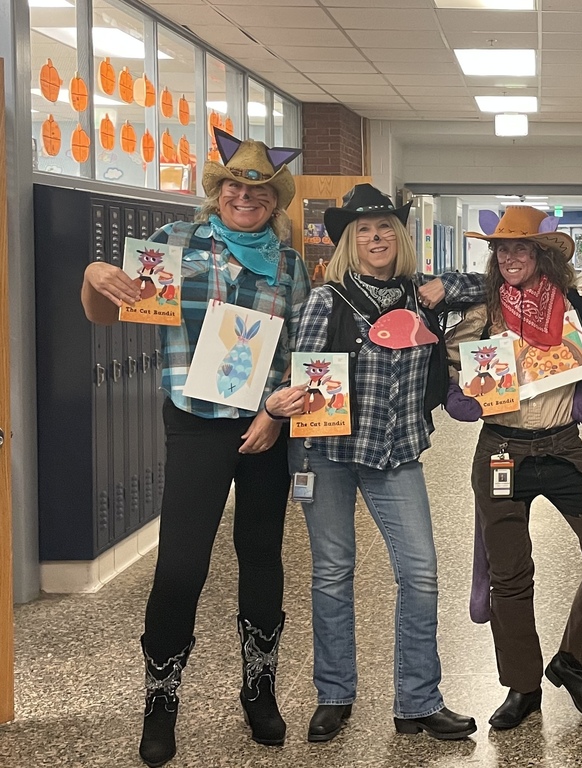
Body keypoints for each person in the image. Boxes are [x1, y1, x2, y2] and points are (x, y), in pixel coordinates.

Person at [80, 129, 309, 767]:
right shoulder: (176, 245)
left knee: (262, 559)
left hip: (269, 423)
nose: (246, 196)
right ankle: (161, 701)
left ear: (273, 200)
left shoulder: (291, 265)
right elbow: (106, 313)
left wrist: (274, 411)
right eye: (236, 185)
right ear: (218, 191)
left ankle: (259, 689)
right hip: (197, 420)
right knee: (182, 565)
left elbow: (297, 350)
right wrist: (96, 275)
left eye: (259, 190)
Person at [264, 183, 483, 743]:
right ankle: (334, 693)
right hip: (327, 453)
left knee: (422, 574)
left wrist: (444, 284)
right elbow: (304, 371)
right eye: (363, 230)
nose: (376, 237)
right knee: (333, 574)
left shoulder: (420, 297)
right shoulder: (327, 299)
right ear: (348, 242)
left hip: (397, 453)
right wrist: (283, 403)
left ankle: (418, 700)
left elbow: (494, 286)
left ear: (400, 236)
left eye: (385, 227)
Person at [444, 205, 582, 730]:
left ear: (542, 254)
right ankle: (522, 687)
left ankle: (575, 662)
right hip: (502, 452)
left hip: (563, 449)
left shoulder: (574, 305)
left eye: (521, 248)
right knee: (509, 574)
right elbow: (445, 359)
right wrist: (460, 395)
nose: (510, 257)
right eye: (502, 249)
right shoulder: (484, 312)